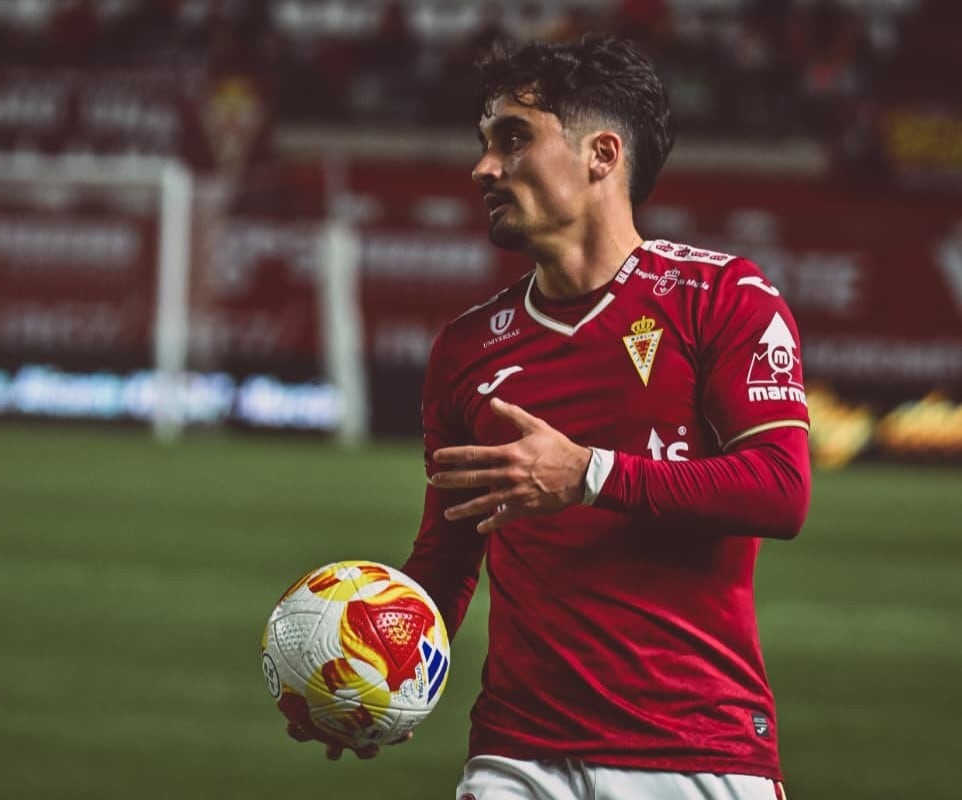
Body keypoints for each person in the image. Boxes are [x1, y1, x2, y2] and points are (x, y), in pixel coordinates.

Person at [292, 34, 811, 800]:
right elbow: (445, 554)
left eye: (512, 138)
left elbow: (779, 489)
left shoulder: (722, 297)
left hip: (699, 749)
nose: (483, 168)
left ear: (602, 155)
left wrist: (587, 474)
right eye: (483, 143)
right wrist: (371, 673)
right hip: (518, 755)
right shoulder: (467, 349)